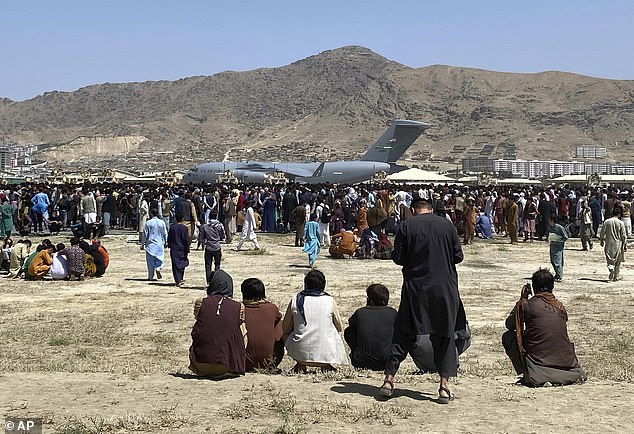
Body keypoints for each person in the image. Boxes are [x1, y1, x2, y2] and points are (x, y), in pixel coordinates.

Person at [380, 198, 465, 404]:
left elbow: (398, 257)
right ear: (431, 209)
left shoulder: (406, 226)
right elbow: (458, 256)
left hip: (415, 288)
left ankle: (389, 380)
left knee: (403, 332)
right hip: (444, 288)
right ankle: (444, 386)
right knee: (444, 335)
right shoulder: (447, 225)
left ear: (412, 210)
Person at [502, 269, 586, 387]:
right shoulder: (560, 306)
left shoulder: (528, 305)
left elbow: (509, 325)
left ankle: (528, 374)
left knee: (508, 336)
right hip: (567, 363)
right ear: (552, 287)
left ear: (534, 287)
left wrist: (522, 300)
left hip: (539, 361)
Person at [282, 269, 348, 372]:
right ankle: (326, 365)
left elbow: (285, 329)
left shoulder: (296, 299)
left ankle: (300, 364)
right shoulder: (329, 300)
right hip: (325, 356)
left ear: (306, 284)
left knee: (285, 334)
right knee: (334, 332)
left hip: (300, 354)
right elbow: (339, 327)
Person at [189, 270, 247, 377]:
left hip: (201, 363)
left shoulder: (201, 303)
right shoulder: (239, 307)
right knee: (241, 326)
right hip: (228, 365)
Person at [344, 284, 397, 371]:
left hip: (361, 361)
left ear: (370, 300)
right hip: (387, 361)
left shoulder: (360, 313)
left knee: (349, 331)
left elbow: (350, 329)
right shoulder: (393, 313)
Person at [241, 278, 284, 371]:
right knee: (279, 323)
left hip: (243, 362)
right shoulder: (271, 308)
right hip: (269, 362)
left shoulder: (239, 310)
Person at [599, 206, 627, 282]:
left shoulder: (607, 222)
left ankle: (611, 268)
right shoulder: (621, 223)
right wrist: (625, 244)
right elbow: (623, 235)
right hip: (618, 243)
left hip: (608, 243)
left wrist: (601, 240)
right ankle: (616, 277)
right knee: (618, 261)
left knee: (609, 259)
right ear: (619, 214)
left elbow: (602, 233)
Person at [199, 213, 226, 283]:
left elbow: (201, 238)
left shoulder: (205, 226)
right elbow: (223, 236)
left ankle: (209, 281)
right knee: (217, 264)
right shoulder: (220, 226)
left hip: (208, 247)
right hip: (217, 247)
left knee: (208, 265)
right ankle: (216, 280)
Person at [143, 208, 168, 281]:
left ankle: (150, 276)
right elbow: (165, 233)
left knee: (150, 262)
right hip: (159, 244)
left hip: (150, 245)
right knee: (160, 259)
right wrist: (166, 242)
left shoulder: (148, 223)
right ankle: (158, 268)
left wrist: (142, 243)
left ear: (151, 214)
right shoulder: (162, 222)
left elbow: (145, 234)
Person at [167, 213, 191, 287]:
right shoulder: (184, 228)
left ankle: (177, 280)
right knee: (182, 263)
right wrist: (187, 248)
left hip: (174, 248)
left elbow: (169, 238)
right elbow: (186, 239)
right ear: (182, 219)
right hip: (182, 248)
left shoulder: (172, 227)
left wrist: (169, 245)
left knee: (175, 264)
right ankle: (180, 278)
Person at [547, 216, 568, 282]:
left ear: (552, 220)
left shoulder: (560, 227)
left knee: (558, 261)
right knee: (553, 260)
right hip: (552, 245)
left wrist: (558, 241)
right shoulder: (550, 227)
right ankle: (557, 274)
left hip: (558, 246)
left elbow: (565, 237)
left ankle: (559, 276)